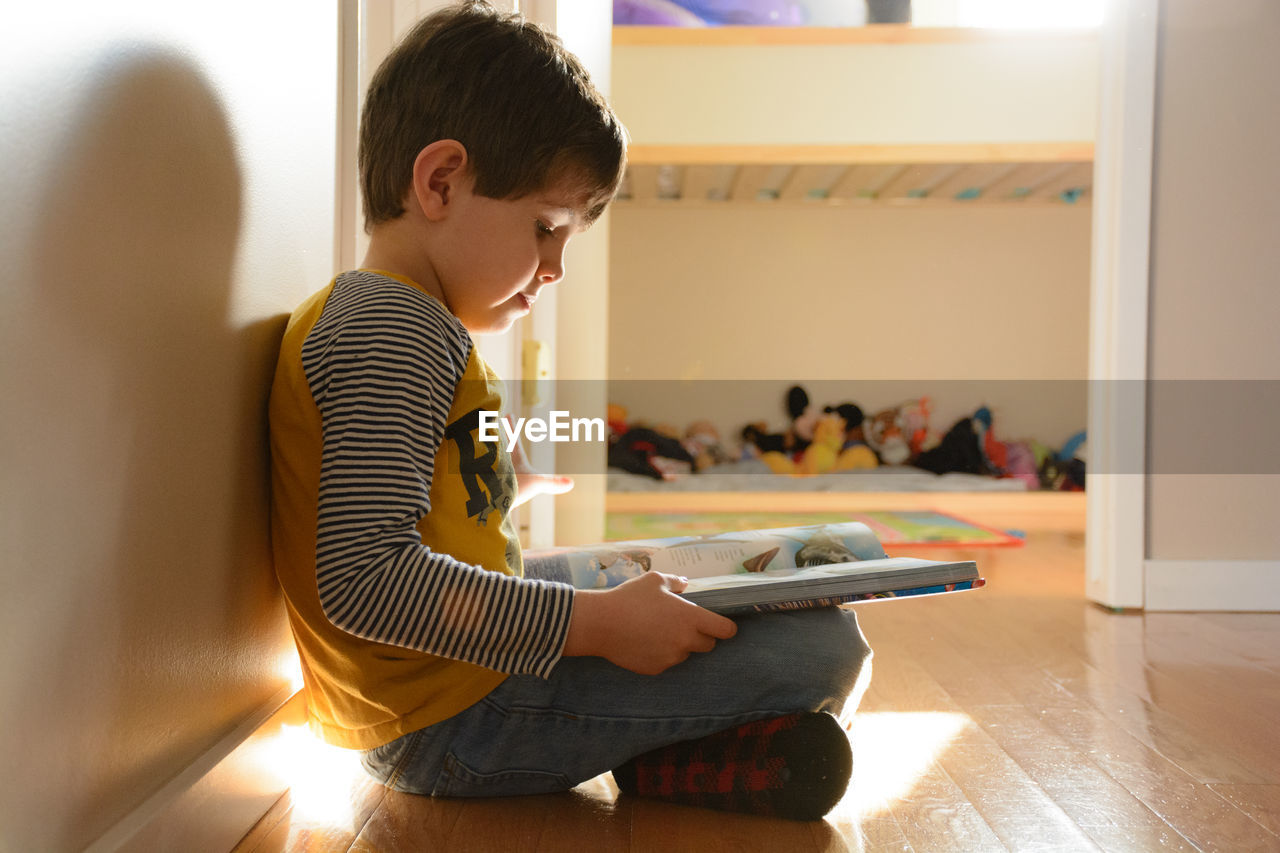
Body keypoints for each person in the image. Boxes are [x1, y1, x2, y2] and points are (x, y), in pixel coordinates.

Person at [268, 0, 872, 821]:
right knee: (824, 642)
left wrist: (500, 495)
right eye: (545, 228)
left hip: (439, 685)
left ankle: (706, 754)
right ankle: (675, 760)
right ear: (440, 181)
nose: (554, 268)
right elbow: (366, 580)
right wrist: (592, 625)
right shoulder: (397, 327)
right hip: (451, 721)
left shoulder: (388, 317)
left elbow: (393, 520)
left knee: (706, 593)